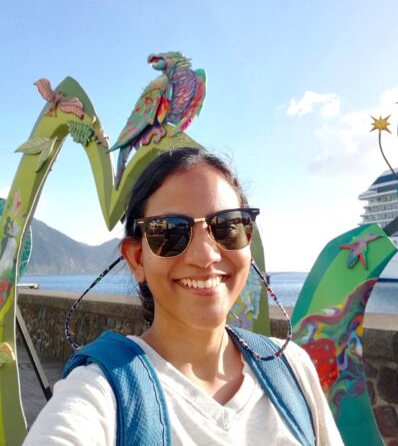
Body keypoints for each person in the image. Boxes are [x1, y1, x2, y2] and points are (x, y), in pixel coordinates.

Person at [23, 147, 343, 445]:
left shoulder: (292, 369)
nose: (205, 255)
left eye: (228, 226)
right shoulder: (100, 392)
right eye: (171, 232)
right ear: (137, 259)